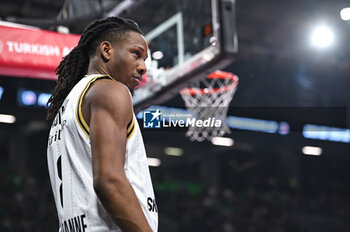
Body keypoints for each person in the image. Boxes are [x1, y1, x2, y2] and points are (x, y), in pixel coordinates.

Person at [46, 16, 158, 232]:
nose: (143, 67)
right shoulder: (111, 90)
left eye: (145, 59)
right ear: (106, 51)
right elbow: (109, 181)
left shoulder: (69, 105)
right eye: (136, 54)